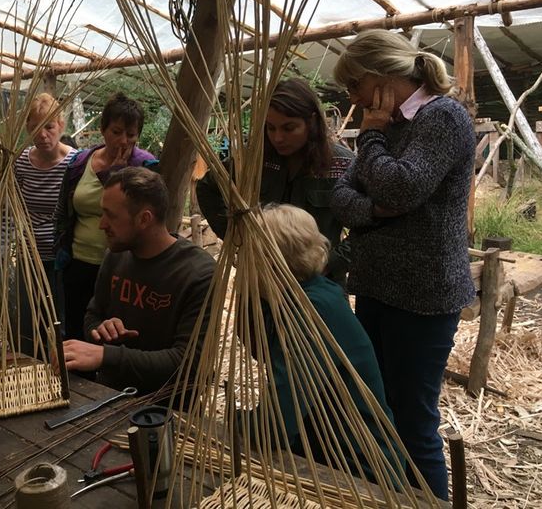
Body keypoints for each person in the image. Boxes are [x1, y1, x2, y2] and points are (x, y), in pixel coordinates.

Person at [330, 29, 475, 500]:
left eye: (354, 86)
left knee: (413, 421)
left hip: (423, 297)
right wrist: (375, 210)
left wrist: (371, 140)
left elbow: (400, 187)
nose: (352, 99)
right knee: (376, 408)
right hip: (375, 289)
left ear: (381, 77)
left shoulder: (443, 118)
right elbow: (340, 195)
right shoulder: (391, 125)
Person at [254, 203, 402, 483]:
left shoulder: (308, 311)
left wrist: (239, 424)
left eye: (251, 255)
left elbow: (278, 420)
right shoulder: (319, 293)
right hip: (329, 453)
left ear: (272, 260)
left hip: (361, 473)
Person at [59, 167, 215, 394]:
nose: (101, 224)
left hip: (167, 409)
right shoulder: (116, 254)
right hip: (109, 395)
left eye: (110, 215)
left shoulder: (198, 273)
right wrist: (101, 330)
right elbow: (93, 315)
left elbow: (187, 361)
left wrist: (106, 355)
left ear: (144, 219)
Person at [197, 78, 353, 285]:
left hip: (320, 285)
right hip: (262, 283)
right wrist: (236, 238)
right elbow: (208, 186)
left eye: (289, 128)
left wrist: (327, 263)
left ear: (312, 122)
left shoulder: (341, 164)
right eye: (271, 128)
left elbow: (367, 231)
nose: (278, 137)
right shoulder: (254, 160)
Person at [54, 93, 157, 342]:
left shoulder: (145, 168)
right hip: (78, 262)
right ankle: (78, 380)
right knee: (77, 331)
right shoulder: (80, 163)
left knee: (113, 335)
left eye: (131, 135)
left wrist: (118, 173)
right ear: (103, 130)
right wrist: (60, 250)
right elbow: (63, 210)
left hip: (122, 270)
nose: (123, 140)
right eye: (116, 131)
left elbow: (139, 213)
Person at [14, 93, 77, 355]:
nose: (42, 134)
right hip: (30, 256)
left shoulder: (76, 162)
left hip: (64, 257)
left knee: (62, 319)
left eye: (49, 126)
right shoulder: (20, 163)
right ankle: (33, 370)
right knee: (28, 320)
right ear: (28, 129)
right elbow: (12, 206)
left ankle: (64, 373)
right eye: (35, 127)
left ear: (61, 126)